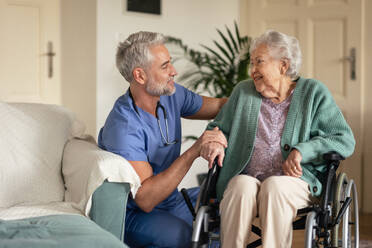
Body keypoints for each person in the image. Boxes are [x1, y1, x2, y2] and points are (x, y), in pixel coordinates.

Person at [200, 30, 356, 248]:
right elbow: (218, 128)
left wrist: (302, 150)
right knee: (239, 185)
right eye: (251, 63)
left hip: (296, 183)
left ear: (283, 65)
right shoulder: (243, 92)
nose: (252, 70)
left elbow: (344, 139)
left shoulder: (313, 92)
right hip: (248, 177)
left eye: (259, 62)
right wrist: (215, 140)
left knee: (274, 186)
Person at [98, 31, 228, 248]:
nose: (174, 72)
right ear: (140, 76)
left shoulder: (171, 95)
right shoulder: (123, 127)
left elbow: (220, 106)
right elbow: (145, 199)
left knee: (228, 209)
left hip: (170, 200)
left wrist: (256, 95)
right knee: (184, 236)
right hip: (132, 214)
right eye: (165, 66)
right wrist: (195, 149)